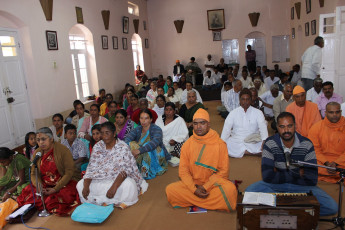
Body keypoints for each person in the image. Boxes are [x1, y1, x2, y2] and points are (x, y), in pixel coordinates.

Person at [245, 112, 337, 216]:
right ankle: (295, 207)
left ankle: (281, 206)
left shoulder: (306, 144)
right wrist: (298, 173)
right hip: (276, 185)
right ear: (277, 128)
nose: (286, 130)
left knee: (332, 207)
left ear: (295, 126)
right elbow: (267, 176)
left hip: (300, 186)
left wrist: (279, 173)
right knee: (249, 192)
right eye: (282, 127)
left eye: (290, 126)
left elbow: (312, 178)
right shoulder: (270, 143)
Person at [166, 108, 237, 212]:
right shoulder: (187, 145)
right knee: (170, 190)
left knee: (230, 191)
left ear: (208, 124)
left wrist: (205, 187)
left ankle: (195, 200)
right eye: (195, 123)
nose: (198, 127)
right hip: (193, 184)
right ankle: (207, 201)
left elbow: (223, 172)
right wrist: (194, 190)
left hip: (213, 184)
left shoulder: (220, 144)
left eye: (202, 123)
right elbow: (183, 172)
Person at [77, 122, 148, 208]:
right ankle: (104, 200)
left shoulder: (123, 147)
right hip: (99, 177)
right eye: (102, 133)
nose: (104, 136)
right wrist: (86, 186)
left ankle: (107, 199)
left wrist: (114, 188)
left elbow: (125, 170)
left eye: (107, 133)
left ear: (114, 134)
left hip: (117, 179)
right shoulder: (98, 147)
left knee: (129, 185)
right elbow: (91, 167)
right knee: (80, 184)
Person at [17, 127, 80, 216]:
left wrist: (55, 189)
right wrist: (39, 186)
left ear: (51, 139)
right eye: (38, 140)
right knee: (28, 193)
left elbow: (69, 172)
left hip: (64, 182)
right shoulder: (37, 153)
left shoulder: (63, 150)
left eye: (43, 139)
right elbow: (33, 173)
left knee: (56, 200)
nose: (41, 142)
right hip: (44, 184)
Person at [221, 89, 268, 158]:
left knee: (267, 143)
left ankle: (243, 152)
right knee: (226, 143)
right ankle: (253, 152)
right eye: (243, 99)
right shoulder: (233, 113)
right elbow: (226, 129)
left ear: (251, 100)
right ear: (239, 100)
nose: (245, 102)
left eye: (247, 99)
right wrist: (222, 142)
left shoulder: (258, 112)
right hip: (237, 140)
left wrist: (264, 140)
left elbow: (263, 127)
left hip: (252, 140)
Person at [125, 109, 169, 179]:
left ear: (151, 119)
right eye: (141, 118)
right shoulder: (137, 129)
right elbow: (127, 139)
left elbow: (154, 143)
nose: (143, 121)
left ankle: (145, 171)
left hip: (155, 153)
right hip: (138, 152)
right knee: (131, 144)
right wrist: (132, 151)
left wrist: (139, 151)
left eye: (146, 118)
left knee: (147, 145)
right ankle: (138, 163)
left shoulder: (156, 129)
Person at [308, 102, 345, 184]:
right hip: (323, 163)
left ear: (341, 112)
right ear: (325, 113)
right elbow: (315, 149)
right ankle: (337, 174)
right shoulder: (316, 128)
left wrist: (336, 163)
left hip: (341, 162)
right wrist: (327, 163)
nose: (334, 115)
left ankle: (335, 172)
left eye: (337, 112)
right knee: (309, 162)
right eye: (331, 112)